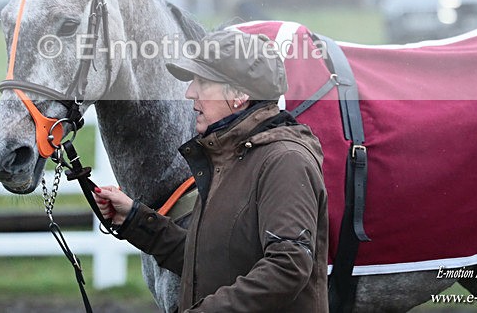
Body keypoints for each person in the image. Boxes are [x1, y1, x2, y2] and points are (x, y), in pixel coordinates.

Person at [94, 29, 328, 312]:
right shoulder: (228, 157)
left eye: (202, 82)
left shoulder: (285, 161)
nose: (190, 92)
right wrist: (135, 219)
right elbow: (207, 261)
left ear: (240, 94)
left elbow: (288, 267)